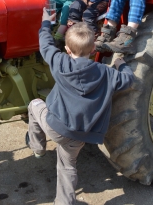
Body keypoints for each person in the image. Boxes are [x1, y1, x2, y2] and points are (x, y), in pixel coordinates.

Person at [27, 12, 134, 205]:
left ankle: (38, 148)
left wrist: (46, 22)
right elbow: (128, 80)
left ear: (67, 49)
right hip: (81, 135)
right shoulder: (106, 73)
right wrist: (121, 64)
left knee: (34, 105)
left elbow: (45, 44)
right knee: (67, 165)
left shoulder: (60, 63)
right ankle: (64, 202)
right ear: (94, 48)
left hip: (55, 127)